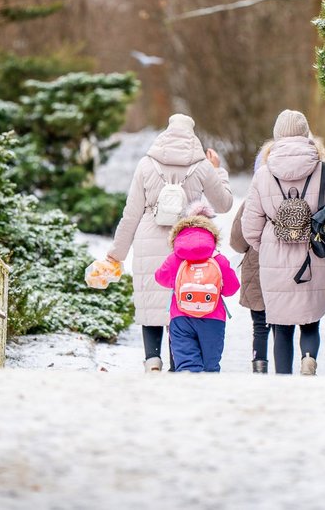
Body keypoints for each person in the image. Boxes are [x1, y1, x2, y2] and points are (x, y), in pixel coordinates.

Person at [107, 113, 234, 372]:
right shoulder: (201, 166)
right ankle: (180, 365)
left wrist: (116, 253)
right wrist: (218, 170)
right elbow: (224, 204)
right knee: (182, 305)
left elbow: (131, 213)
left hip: (148, 237)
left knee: (150, 303)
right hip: (186, 243)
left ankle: (152, 360)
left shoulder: (146, 164)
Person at [241, 110, 325, 375]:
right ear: (306, 134)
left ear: (276, 135)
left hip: (274, 259)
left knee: (281, 326)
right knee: (311, 319)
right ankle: (309, 356)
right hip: (314, 256)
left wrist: (266, 245)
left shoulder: (264, 174)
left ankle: (283, 378)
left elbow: (250, 226)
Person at [154, 204, 239, 372]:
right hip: (213, 318)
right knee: (210, 366)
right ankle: (207, 394)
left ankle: (188, 393)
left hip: (180, 318)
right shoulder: (218, 259)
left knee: (186, 365)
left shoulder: (175, 258)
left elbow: (160, 277)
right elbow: (231, 289)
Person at [230, 202, 270, 373]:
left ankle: (259, 367)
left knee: (260, 325)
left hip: (258, 265)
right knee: (284, 326)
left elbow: (237, 242)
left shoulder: (253, 199)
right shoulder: (300, 192)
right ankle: (285, 371)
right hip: (292, 264)